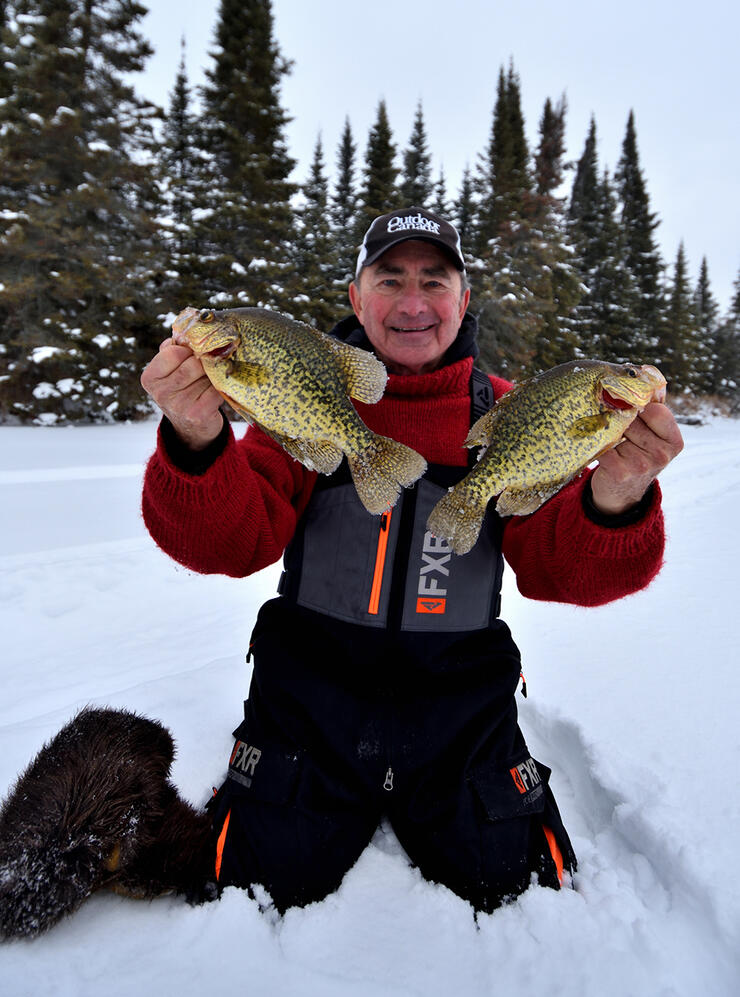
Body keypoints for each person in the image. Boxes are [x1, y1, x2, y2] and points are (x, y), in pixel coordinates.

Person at [140, 206, 684, 913]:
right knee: (251, 874)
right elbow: (229, 543)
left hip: (459, 704)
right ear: (355, 298)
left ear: (464, 299)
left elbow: (565, 571)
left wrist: (618, 493)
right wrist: (193, 435)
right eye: (389, 279)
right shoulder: (302, 401)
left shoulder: (509, 414)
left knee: (512, 877)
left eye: (436, 280)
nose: (414, 303)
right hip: (310, 695)